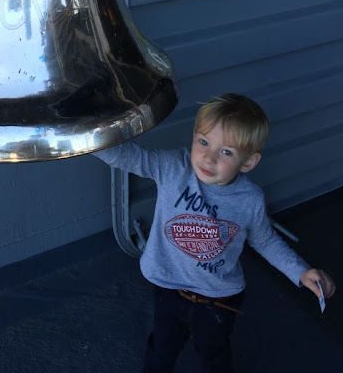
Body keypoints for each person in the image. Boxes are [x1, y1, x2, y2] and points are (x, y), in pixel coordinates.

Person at [92, 93, 336, 373]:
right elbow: (129, 157)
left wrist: (301, 271)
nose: (208, 157)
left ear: (248, 163)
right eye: (203, 142)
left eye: (226, 152)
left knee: (213, 351)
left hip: (218, 297)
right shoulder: (173, 167)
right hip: (168, 284)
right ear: (193, 137)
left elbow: (265, 240)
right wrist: (86, 135)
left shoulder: (250, 199)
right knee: (162, 346)